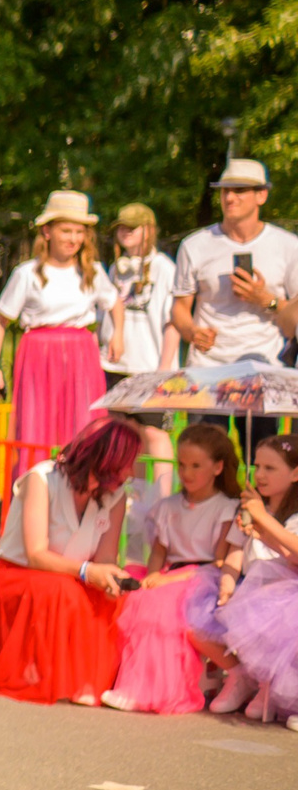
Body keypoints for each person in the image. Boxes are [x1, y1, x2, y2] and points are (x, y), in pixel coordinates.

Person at [0, 414, 140, 706]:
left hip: (75, 576)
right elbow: (36, 553)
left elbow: (104, 558)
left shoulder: (115, 496)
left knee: (113, 600)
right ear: (107, 460)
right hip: (21, 573)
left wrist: (111, 579)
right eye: (129, 461)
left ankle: (88, 679)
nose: (133, 471)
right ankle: (50, 673)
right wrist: (89, 571)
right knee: (64, 592)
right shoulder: (42, 479)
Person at [102, 423, 238, 714]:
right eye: (182, 464)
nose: (186, 473)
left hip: (204, 576)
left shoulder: (226, 507)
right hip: (170, 573)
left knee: (161, 608)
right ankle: (130, 680)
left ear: (217, 468)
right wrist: (153, 574)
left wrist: (172, 579)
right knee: (136, 597)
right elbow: (159, 551)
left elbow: (220, 560)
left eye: (196, 466)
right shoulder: (168, 506)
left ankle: (144, 689)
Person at [170, 159, 298, 455]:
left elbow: (293, 320)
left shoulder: (288, 246)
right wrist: (191, 331)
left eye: (240, 190)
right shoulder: (195, 245)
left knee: (262, 460)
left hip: (262, 368)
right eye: (225, 190)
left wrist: (266, 299)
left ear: (261, 195)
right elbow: (179, 309)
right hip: (208, 371)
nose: (230, 198)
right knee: (201, 460)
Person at [0, 191, 118, 452]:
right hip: (39, 356)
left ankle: (80, 484)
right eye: (66, 231)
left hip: (80, 355)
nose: (74, 239)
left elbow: (115, 303)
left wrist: (118, 336)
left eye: (79, 232)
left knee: (82, 425)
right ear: (47, 231)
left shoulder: (91, 272)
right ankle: (37, 486)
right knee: (37, 428)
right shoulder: (28, 274)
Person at [197, 432, 298, 720]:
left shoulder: (291, 516)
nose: (259, 475)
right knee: (201, 618)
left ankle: (271, 686)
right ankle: (240, 676)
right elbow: (235, 554)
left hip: (285, 594)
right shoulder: (251, 509)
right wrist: (227, 588)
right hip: (249, 590)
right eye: (256, 466)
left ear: (295, 473)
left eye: (270, 468)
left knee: (275, 619)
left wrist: (264, 521)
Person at [102, 203, 177, 386]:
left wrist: (165, 367)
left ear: (149, 230)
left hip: (150, 367)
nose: (125, 231)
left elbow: (173, 323)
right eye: (121, 227)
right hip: (114, 366)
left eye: (132, 227)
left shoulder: (165, 268)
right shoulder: (116, 269)